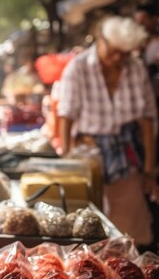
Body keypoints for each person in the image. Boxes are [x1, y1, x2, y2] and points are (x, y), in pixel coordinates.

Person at [58, 16, 156, 247]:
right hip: (89, 152)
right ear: (101, 40)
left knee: (130, 228)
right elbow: (66, 114)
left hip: (126, 155)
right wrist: (66, 158)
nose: (118, 59)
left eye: (124, 53)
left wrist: (149, 168)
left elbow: (147, 120)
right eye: (113, 51)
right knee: (90, 221)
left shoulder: (136, 68)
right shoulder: (78, 67)